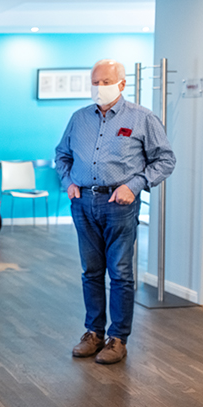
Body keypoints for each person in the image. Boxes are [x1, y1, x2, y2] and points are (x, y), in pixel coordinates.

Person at [55, 59, 176, 365]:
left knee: (120, 273)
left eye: (105, 81)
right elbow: (62, 155)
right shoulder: (79, 118)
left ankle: (118, 339)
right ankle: (93, 333)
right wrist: (68, 182)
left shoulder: (142, 118)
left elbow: (165, 160)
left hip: (119, 205)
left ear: (122, 84)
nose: (99, 87)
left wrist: (135, 185)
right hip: (83, 203)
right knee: (91, 271)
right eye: (95, 82)